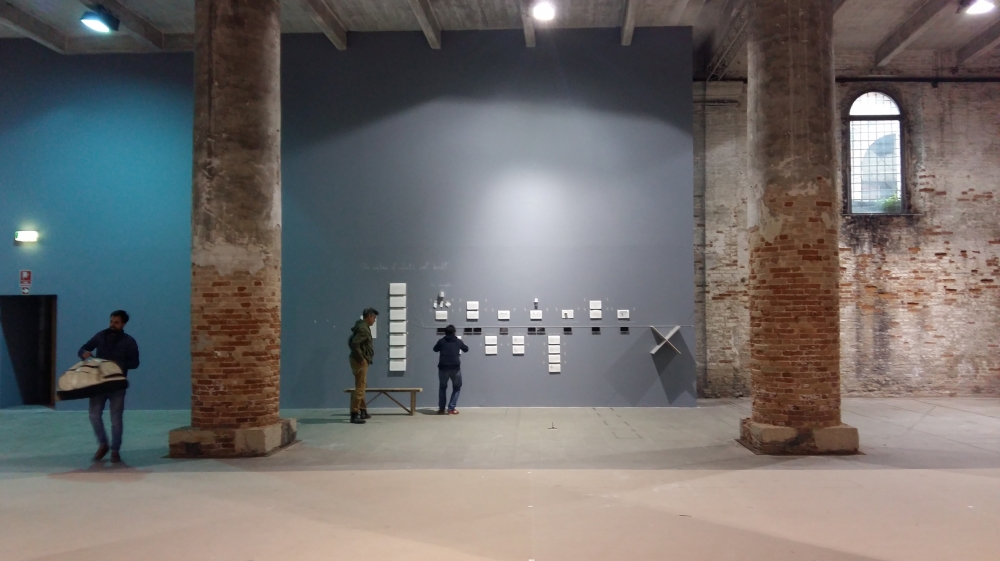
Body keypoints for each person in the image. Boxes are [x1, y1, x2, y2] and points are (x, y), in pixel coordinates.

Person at [78, 310, 140, 463]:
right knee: (94, 415)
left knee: (116, 419)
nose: (112, 324)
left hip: (117, 385)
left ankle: (115, 450)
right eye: (111, 321)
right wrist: (84, 353)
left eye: (116, 322)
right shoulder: (101, 336)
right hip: (99, 383)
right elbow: (83, 348)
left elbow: (135, 363)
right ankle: (103, 444)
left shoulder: (129, 341)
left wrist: (118, 364)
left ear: (123, 324)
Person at [348, 308, 378, 425]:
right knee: (360, 387)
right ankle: (354, 414)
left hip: (357, 360)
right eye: (374, 317)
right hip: (359, 361)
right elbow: (354, 344)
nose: (374, 320)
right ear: (369, 316)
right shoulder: (363, 329)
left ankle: (363, 410)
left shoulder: (362, 326)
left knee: (362, 385)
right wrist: (362, 359)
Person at [433, 325, 468, 415]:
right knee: (456, 388)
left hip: (443, 367)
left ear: (445, 332)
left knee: (442, 387)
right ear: (454, 332)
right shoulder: (457, 341)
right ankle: (451, 409)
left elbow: (435, 349)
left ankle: (441, 409)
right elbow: (466, 349)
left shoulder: (441, 341)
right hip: (455, 367)